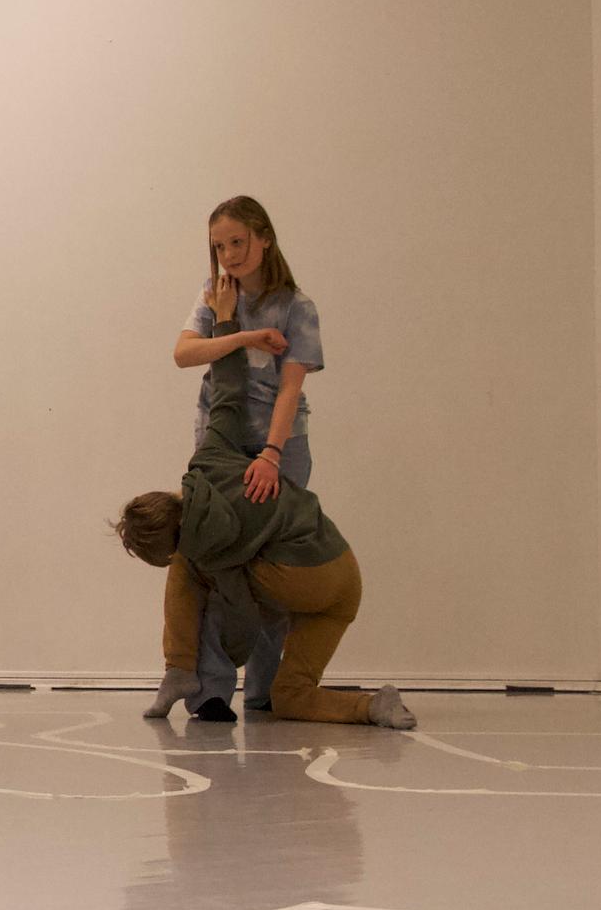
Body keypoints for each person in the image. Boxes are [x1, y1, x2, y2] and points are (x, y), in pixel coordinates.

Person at [120, 263, 413, 731]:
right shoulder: (213, 460)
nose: (227, 255)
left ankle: (183, 674)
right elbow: (229, 394)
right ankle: (367, 707)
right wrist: (234, 329)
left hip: (299, 578)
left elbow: (238, 624)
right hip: (343, 574)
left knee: (200, 579)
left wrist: (198, 651)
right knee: (288, 694)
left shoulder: (210, 557)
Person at [171, 196, 322, 720]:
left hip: (278, 447)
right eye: (219, 246)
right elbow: (184, 354)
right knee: (215, 563)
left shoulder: (297, 307)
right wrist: (238, 328)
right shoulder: (214, 298)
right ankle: (212, 691)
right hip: (220, 445)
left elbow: (289, 389)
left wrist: (273, 454)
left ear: (264, 238)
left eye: (237, 242)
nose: (229, 255)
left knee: (273, 569)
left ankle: (264, 689)